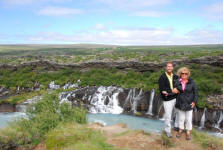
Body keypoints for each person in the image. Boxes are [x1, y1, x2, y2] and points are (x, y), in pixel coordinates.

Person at [174, 67, 198, 140]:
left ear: (188, 74)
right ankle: (180, 130)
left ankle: (188, 132)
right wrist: (174, 89)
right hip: (180, 103)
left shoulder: (192, 82)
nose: (184, 75)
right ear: (180, 74)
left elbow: (196, 93)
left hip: (189, 103)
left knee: (188, 119)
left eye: (185, 73)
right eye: (182, 73)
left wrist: (194, 102)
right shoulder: (177, 82)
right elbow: (174, 90)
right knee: (181, 118)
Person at [158, 62, 179, 138]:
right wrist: (173, 91)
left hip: (176, 98)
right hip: (167, 100)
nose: (169, 68)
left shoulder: (176, 76)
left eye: (171, 66)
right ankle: (168, 131)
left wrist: (176, 90)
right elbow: (163, 90)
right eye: (168, 67)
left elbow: (179, 86)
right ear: (166, 68)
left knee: (178, 113)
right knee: (168, 115)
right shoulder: (162, 77)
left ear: (172, 68)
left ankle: (177, 126)